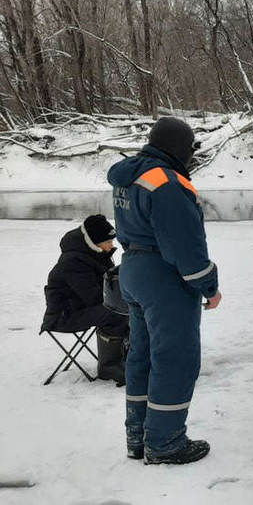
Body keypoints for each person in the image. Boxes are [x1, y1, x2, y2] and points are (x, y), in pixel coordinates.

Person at [107, 117, 221, 465]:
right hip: (163, 278)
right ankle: (166, 442)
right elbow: (184, 247)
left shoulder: (131, 175)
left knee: (143, 356)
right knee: (175, 359)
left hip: (133, 272)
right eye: (190, 149)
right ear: (179, 148)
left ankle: (138, 437)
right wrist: (208, 285)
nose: (191, 156)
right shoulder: (167, 183)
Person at [41, 215, 129, 385]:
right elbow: (94, 297)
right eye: (108, 242)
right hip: (64, 316)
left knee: (128, 308)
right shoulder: (73, 261)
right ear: (94, 242)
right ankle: (109, 366)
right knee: (115, 313)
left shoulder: (96, 253)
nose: (112, 245)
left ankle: (128, 356)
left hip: (81, 308)